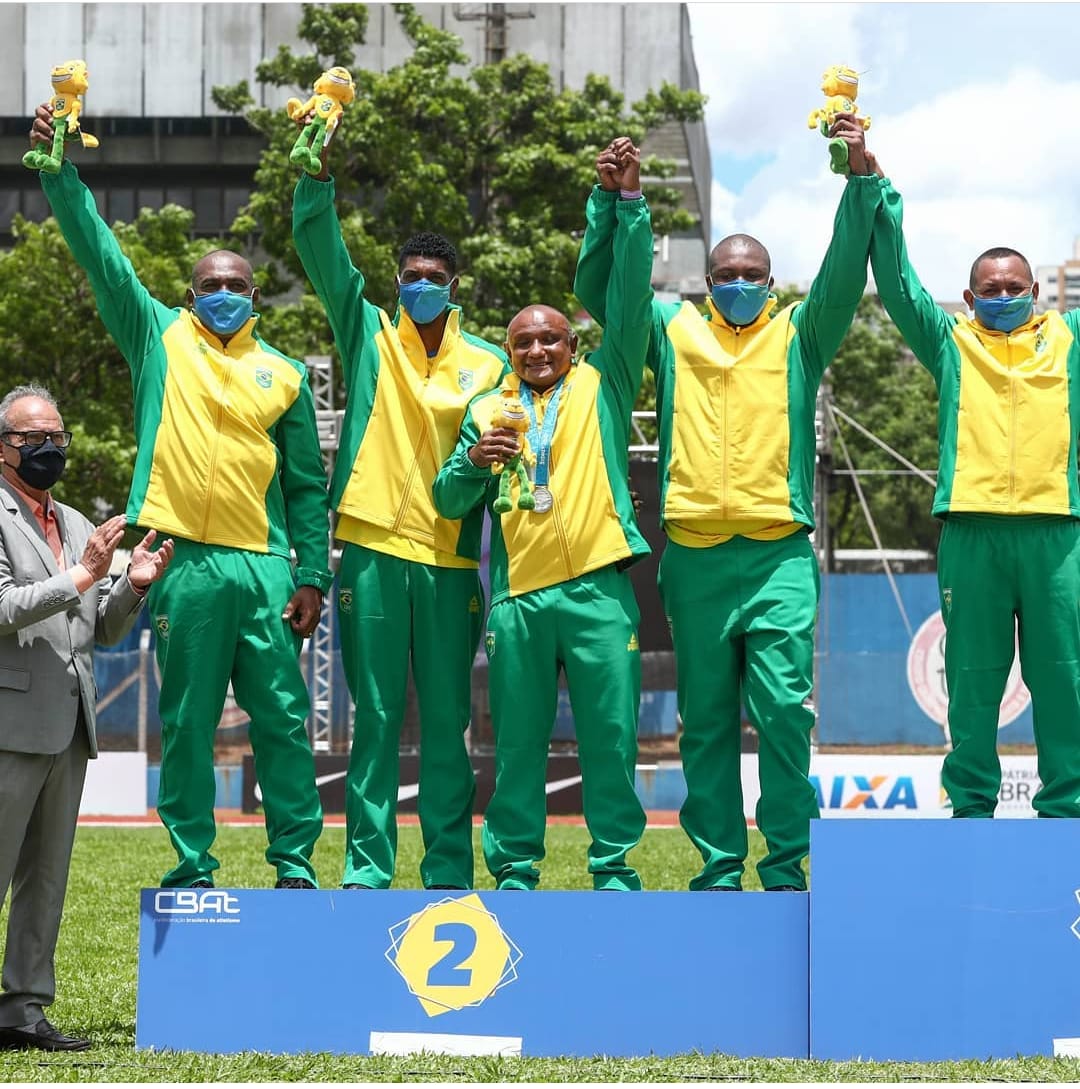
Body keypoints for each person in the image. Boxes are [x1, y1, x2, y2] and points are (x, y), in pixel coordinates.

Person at [574, 121, 886, 892]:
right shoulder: (669, 327)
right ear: (705, 282)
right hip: (696, 557)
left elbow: (846, 273)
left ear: (771, 285)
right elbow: (601, 295)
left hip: (779, 555)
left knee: (784, 712)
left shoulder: (800, 335)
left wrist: (860, 182)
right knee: (705, 724)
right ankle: (718, 868)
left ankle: (785, 867)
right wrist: (616, 205)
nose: (737, 283)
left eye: (751, 274)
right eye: (724, 273)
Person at [31, 106, 333, 889]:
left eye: (236, 284)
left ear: (255, 292)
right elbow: (103, 258)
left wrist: (311, 575)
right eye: (210, 286)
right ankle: (194, 864)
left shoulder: (287, 373)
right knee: (189, 722)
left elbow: (305, 483)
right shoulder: (157, 336)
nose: (224, 293)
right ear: (189, 294)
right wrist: (60, 176)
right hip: (180, 562)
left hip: (265, 565)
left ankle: (294, 865)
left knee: (284, 724)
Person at [433, 141, 652, 891]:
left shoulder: (607, 380)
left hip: (596, 587)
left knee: (611, 741)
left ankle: (615, 870)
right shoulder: (486, 407)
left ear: (574, 344)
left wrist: (625, 205)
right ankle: (516, 874)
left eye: (550, 337)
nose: (536, 349)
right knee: (518, 747)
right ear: (508, 348)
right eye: (523, 340)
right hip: (520, 598)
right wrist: (472, 463)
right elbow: (447, 501)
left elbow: (627, 295)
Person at [292, 141, 507, 891]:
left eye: (434, 280)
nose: (421, 287)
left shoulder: (489, 362)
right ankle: (366, 869)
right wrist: (317, 180)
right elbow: (324, 254)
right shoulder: (368, 334)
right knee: (376, 724)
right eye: (410, 278)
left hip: (450, 564)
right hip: (373, 555)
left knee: (448, 729)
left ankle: (448, 871)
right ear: (395, 284)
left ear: (456, 289)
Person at [868, 154, 1080, 819]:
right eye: (990, 289)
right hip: (971, 531)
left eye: (1015, 287)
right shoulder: (950, 342)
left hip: (1057, 533)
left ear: (1037, 292)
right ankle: (970, 811)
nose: (1004, 296)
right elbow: (898, 283)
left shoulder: (1071, 343)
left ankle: (1068, 811)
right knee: (971, 684)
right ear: (969, 298)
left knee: (1065, 682)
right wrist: (875, 186)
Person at [0, 386, 172, 1052]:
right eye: (32, 438)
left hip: (70, 724)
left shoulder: (74, 520)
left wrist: (130, 583)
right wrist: (80, 575)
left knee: (46, 876)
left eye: (57, 438)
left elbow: (97, 627)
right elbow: (6, 605)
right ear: (5, 445)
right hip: (10, 722)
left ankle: (21, 1006)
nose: (49, 449)